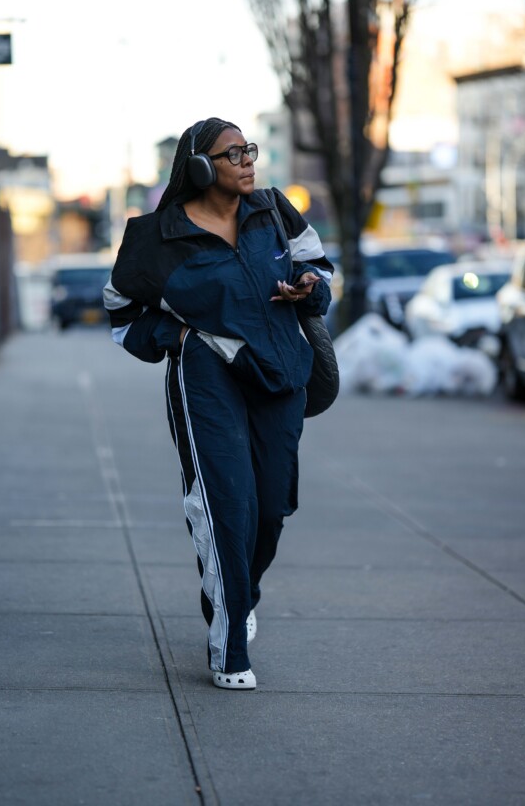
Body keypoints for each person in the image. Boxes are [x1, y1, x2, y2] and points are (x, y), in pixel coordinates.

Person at [103, 117, 333, 690]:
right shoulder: (158, 237)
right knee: (228, 501)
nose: (248, 160)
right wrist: (174, 339)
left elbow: (321, 267)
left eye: (250, 150)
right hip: (208, 375)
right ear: (201, 167)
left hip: (278, 373)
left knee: (272, 507)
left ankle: (235, 594)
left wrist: (309, 285)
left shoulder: (274, 211)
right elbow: (119, 308)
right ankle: (229, 647)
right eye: (234, 154)